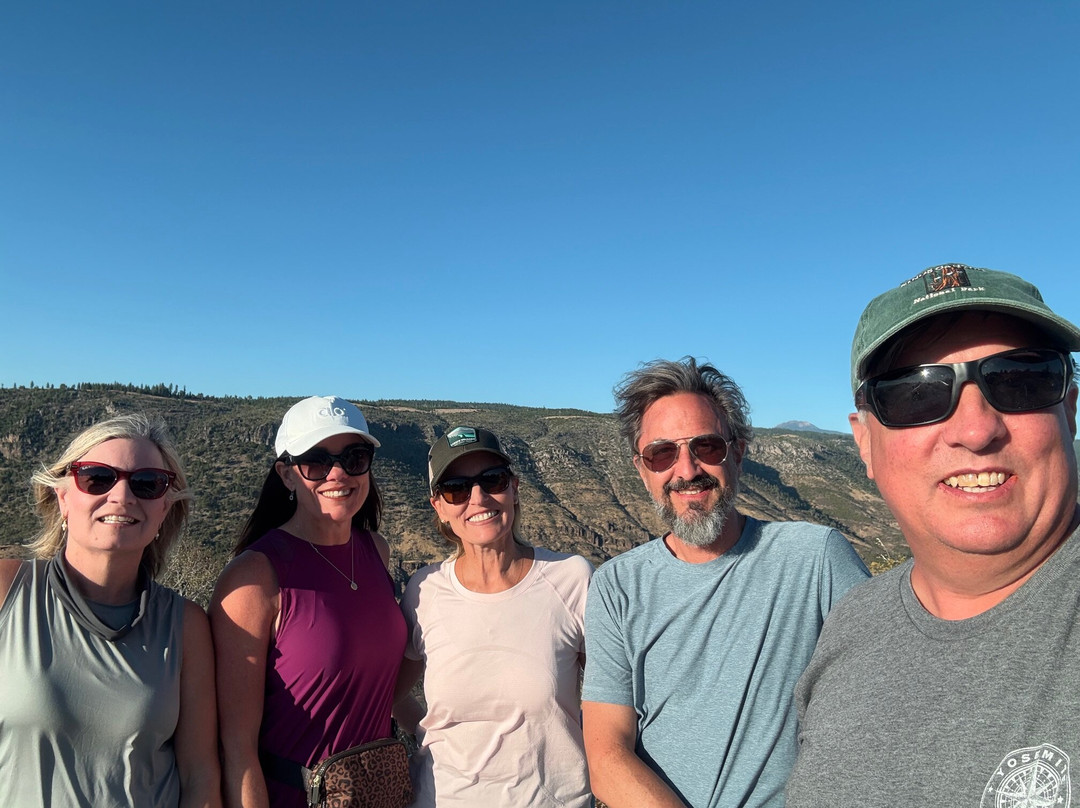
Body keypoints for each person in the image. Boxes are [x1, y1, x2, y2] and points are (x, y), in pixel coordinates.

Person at [786, 263, 1080, 806]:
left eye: (1020, 379)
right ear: (865, 444)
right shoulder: (851, 627)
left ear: (1069, 406)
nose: (977, 429)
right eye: (916, 395)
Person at [582, 357, 869, 808]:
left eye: (707, 447)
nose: (687, 469)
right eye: (662, 453)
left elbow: (878, 706)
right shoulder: (617, 585)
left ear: (737, 452)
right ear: (642, 469)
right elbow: (606, 755)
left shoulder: (815, 558)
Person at [0, 413, 221, 807]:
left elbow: (199, 773)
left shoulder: (185, 625)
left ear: (165, 510)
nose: (122, 496)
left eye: (147, 484)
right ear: (63, 496)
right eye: (98, 478)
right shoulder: (6, 592)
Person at [210, 395, 407, 808]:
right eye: (316, 461)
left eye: (354, 457)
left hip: (381, 794)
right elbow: (236, 747)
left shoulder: (376, 551)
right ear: (286, 474)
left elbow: (379, 684)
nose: (338, 473)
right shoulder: (254, 578)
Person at [395, 426, 594, 807]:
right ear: (438, 506)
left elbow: (614, 702)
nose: (478, 497)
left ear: (515, 488)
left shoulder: (571, 579)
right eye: (456, 488)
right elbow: (390, 693)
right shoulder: (424, 591)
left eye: (493, 480)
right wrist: (424, 732)